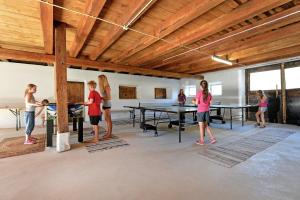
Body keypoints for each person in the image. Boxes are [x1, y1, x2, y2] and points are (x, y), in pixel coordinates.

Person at [195, 80, 216, 145]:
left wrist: (194, 102)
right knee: (206, 126)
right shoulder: (209, 94)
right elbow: (210, 103)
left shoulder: (199, 93)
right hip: (207, 111)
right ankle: (212, 138)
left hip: (200, 112)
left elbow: (196, 103)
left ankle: (202, 141)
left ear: (201, 86)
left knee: (201, 127)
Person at [98, 75, 112, 139]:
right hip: (104, 104)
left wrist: (101, 97)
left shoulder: (107, 87)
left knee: (108, 120)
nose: (98, 81)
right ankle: (108, 132)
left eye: (99, 79)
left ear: (102, 80)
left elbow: (109, 97)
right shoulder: (103, 87)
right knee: (106, 119)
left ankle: (109, 134)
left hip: (107, 105)